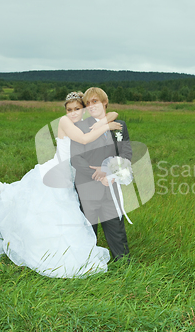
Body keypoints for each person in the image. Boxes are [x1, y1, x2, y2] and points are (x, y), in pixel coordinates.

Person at [0, 91, 122, 278]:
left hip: (70, 174)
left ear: (83, 109)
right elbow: (85, 139)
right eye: (69, 109)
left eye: (77, 109)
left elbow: (112, 114)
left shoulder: (85, 122)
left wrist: (104, 121)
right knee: (48, 210)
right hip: (57, 171)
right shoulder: (65, 122)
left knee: (41, 206)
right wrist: (106, 126)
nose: (73, 112)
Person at [70, 87, 132, 263]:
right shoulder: (80, 127)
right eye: (88, 103)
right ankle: (87, 266)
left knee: (116, 229)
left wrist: (109, 171)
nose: (91, 106)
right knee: (88, 230)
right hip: (87, 188)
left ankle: (123, 266)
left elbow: (126, 154)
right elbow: (75, 158)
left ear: (105, 102)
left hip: (110, 187)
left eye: (95, 101)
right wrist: (96, 173)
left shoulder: (119, 126)